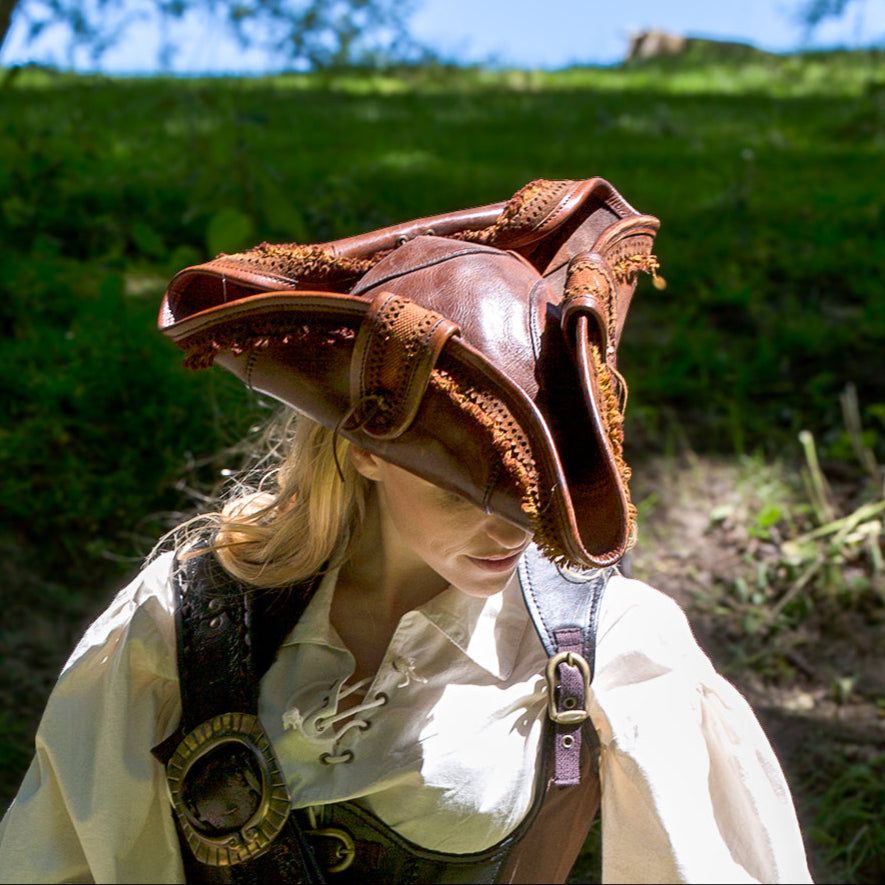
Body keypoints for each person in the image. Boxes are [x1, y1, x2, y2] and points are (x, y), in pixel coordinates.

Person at [0, 178, 813, 884]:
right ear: (365, 453)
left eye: (536, 494)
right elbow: (64, 858)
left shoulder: (608, 638)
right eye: (465, 490)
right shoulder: (187, 617)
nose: (513, 528)